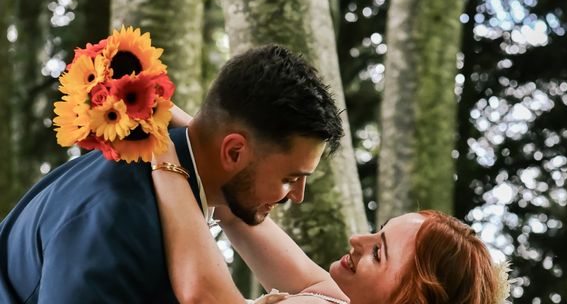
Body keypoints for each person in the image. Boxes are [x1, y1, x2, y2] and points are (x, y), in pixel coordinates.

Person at [0, 44, 344, 303]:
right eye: (290, 178)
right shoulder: (118, 215)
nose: (297, 196)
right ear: (234, 151)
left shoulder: (182, 180)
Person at [152, 132, 509, 304]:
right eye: (377, 232)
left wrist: (161, 152)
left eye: (378, 253)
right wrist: (150, 100)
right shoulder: (337, 299)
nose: (358, 240)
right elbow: (238, 206)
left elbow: (203, 297)